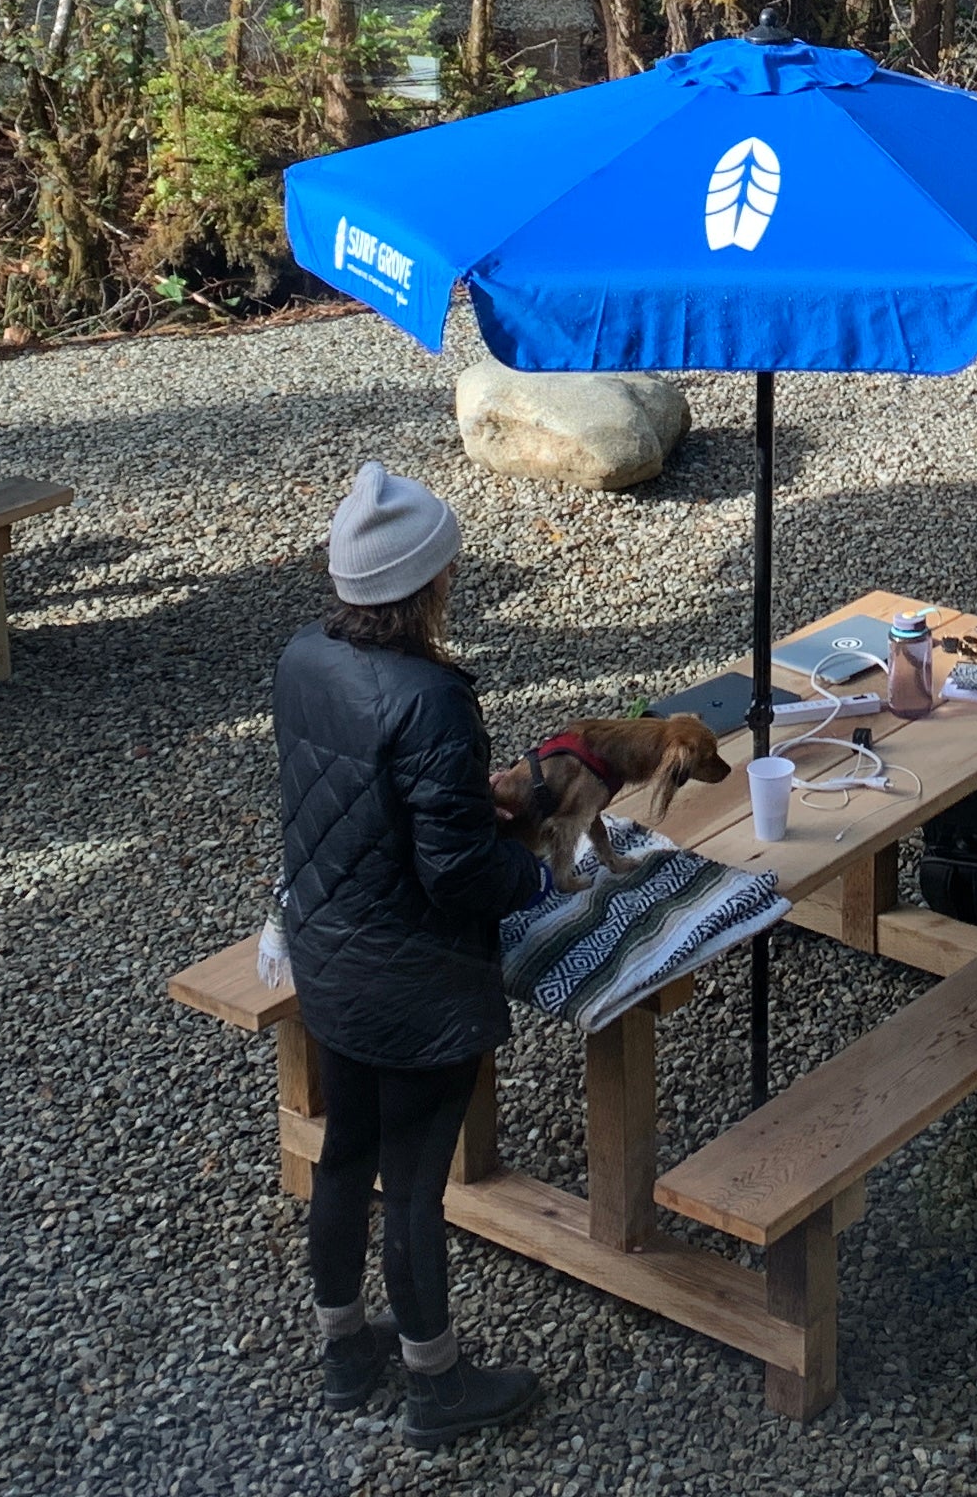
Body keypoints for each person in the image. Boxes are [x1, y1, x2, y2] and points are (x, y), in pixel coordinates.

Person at [273, 466, 550, 1447]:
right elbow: (458, 876)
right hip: (413, 979)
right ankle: (436, 1382)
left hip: (326, 950)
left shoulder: (303, 657)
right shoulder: (431, 698)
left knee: (346, 1153)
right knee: (416, 1182)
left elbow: (360, 797)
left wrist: (467, 791)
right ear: (426, 583)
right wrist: (541, 883)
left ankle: (346, 1350)